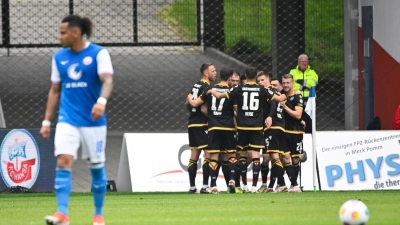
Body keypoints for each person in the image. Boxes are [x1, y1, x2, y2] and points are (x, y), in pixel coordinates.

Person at [40, 15, 114, 225]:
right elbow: (55, 90)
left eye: (62, 32)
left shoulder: (99, 53)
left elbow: (108, 80)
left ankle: (98, 215)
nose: (59, 36)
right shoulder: (59, 57)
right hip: (67, 119)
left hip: (93, 121)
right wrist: (47, 121)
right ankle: (62, 213)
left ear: (75, 33)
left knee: (96, 167)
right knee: (63, 160)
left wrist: (101, 101)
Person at [209, 67, 286, 193]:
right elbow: (279, 99)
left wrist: (212, 91)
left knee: (243, 156)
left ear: (245, 75)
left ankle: (244, 184)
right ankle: (255, 186)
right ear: (256, 76)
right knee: (256, 156)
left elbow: (220, 96)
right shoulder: (262, 89)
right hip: (256, 127)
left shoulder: (238, 88)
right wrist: (284, 94)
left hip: (242, 126)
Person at [188, 68, 237, 194]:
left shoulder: (209, 89)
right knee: (231, 155)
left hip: (213, 126)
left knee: (213, 156)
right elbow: (236, 111)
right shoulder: (232, 91)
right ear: (230, 78)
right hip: (227, 126)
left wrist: (189, 98)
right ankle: (232, 181)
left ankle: (213, 185)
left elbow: (198, 105)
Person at [185, 63, 217, 194]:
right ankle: (205, 186)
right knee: (208, 154)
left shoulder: (196, 85)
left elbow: (187, 103)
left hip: (192, 122)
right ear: (206, 73)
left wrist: (194, 110)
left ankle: (192, 187)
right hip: (202, 124)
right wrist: (213, 119)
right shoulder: (207, 88)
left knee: (194, 155)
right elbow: (204, 108)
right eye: (213, 71)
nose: (215, 73)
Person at [256, 73, 287, 193]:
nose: (260, 83)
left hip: (272, 127)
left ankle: (282, 183)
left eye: (262, 80)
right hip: (281, 126)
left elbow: (273, 104)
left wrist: (269, 117)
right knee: (271, 157)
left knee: (273, 156)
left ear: (268, 80)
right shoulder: (277, 92)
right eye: (258, 81)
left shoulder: (267, 91)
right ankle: (270, 185)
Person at [281, 74, 305, 193]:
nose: (285, 85)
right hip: (283, 132)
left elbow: (298, 114)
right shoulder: (281, 94)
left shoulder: (297, 97)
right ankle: (295, 184)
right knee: (285, 158)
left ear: (292, 83)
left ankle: (294, 185)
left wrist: (285, 107)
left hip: (295, 132)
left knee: (295, 160)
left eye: (287, 83)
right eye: (284, 83)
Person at [289, 54, 318, 133]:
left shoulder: (312, 72)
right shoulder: (292, 72)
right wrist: (306, 85)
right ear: (298, 62)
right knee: (297, 117)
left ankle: (310, 133)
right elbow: (291, 85)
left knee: (309, 118)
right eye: (302, 61)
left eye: (305, 61)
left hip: (309, 99)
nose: (304, 63)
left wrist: (298, 81)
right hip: (297, 98)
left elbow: (313, 83)